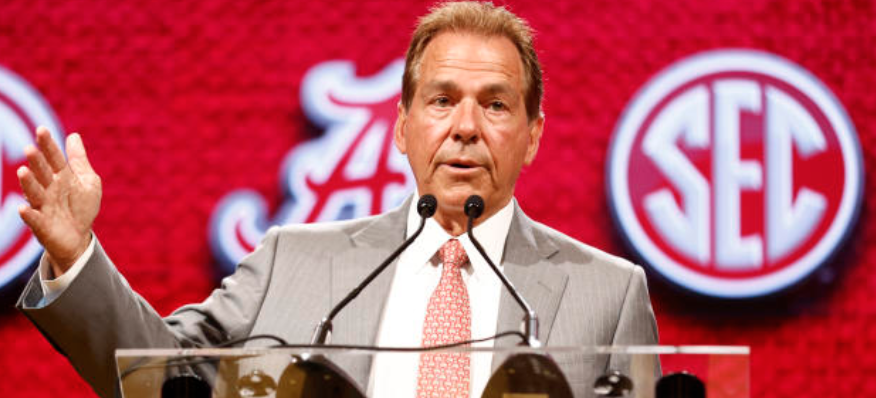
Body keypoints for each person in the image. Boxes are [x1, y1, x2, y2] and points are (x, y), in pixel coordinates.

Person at [16, 2, 658, 397]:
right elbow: (158, 381)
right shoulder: (292, 262)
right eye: (441, 100)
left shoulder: (608, 293)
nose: (466, 126)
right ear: (403, 128)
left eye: (495, 104)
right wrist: (76, 258)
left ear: (533, 135)